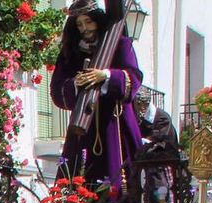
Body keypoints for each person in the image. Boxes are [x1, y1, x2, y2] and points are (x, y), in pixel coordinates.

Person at [51, 0, 143, 190]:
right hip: (84, 127)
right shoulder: (70, 53)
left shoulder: (120, 44)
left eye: (88, 22)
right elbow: (57, 91)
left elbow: (134, 79)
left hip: (115, 123)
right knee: (80, 180)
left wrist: (106, 76)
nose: (84, 28)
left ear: (98, 21)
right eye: (79, 24)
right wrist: (76, 84)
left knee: (119, 181)